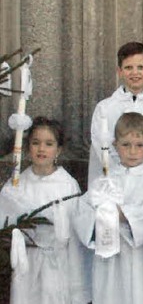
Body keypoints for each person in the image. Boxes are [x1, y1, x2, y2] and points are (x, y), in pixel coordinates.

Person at [74, 112, 143, 304]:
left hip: (141, 254)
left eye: (139, 145)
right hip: (109, 255)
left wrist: (121, 215)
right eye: (126, 145)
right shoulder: (105, 179)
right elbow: (83, 210)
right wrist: (99, 217)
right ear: (115, 145)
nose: (132, 151)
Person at [0, 117, 91, 304]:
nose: (41, 149)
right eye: (36, 143)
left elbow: (74, 236)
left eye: (49, 144)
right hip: (28, 261)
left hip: (58, 262)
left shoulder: (67, 185)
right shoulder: (17, 184)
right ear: (27, 147)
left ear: (58, 150)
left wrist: (77, 280)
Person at [88, 41, 143, 184]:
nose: (135, 73)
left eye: (141, 67)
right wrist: (121, 175)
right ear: (119, 71)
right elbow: (102, 148)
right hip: (117, 179)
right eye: (129, 67)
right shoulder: (104, 108)